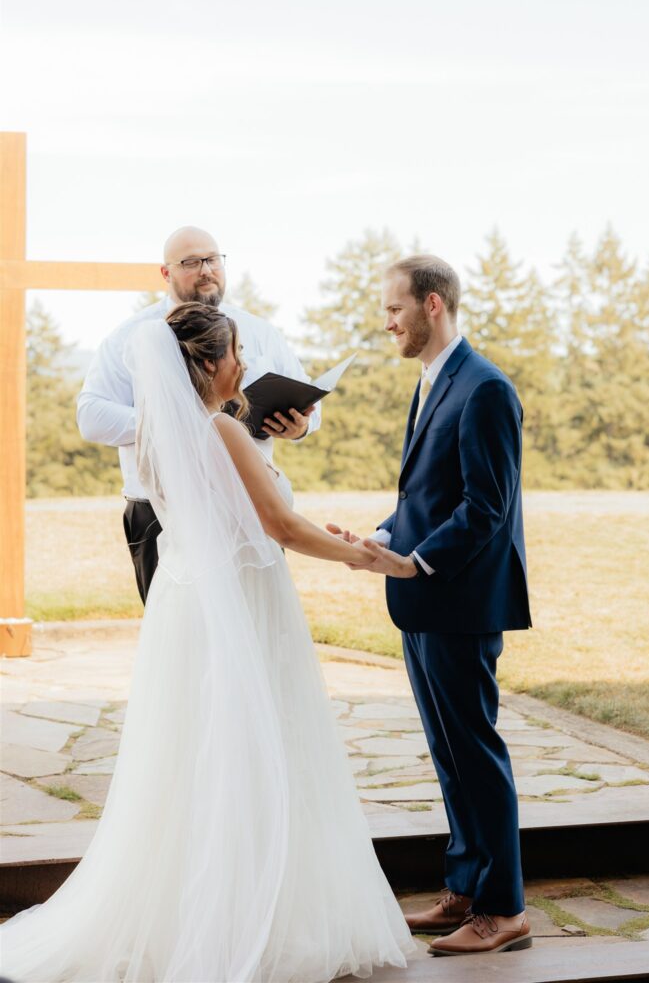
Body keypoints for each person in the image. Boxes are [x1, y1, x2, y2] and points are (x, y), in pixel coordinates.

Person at [0, 303, 413, 983]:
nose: (244, 364)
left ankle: (196, 917)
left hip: (188, 604)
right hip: (243, 605)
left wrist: (327, 537)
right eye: (234, 353)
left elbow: (233, 519)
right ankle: (250, 919)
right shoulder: (220, 429)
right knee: (256, 753)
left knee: (194, 761)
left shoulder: (158, 440)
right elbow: (277, 526)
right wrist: (364, 557)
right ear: (204, 365)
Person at [328, 255, 533, 956]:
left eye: (395, 309)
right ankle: (465, 889)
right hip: (422, 601)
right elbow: (428, 495)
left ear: (433, 305)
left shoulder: (484, 388)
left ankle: (504, 911)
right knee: (449, 756)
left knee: (476, 753)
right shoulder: (433, 381)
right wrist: (382, 537)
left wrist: (416, 560)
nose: (386, 322)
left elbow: (487, 508)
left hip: (460, 598)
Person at [77, 225, 320, 604]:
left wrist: (302, 426)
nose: (206, 269)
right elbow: (90, 415)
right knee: (182, 636)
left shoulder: (260, 332)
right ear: (166, 273)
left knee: (259, 630)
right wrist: (178, 423)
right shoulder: (134, 337)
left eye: (212, 259)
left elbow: (311, 404)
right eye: (191, 262)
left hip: (251, 507)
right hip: (163, 512)